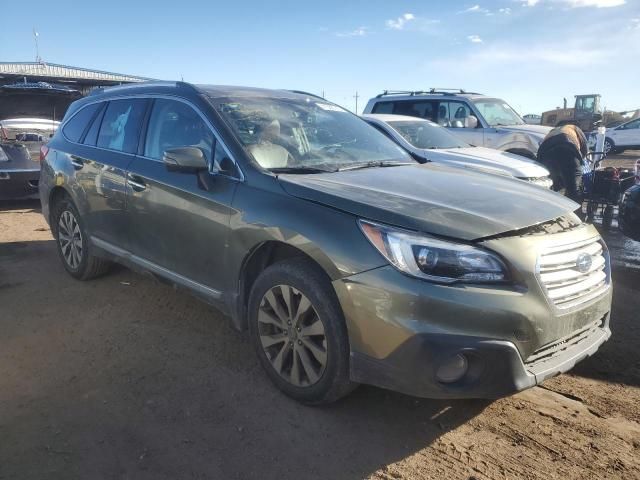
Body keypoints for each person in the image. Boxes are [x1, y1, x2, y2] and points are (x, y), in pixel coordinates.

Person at [536, 124, 588, 203]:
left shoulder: (552, 131)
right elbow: (584, 148)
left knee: (551, 186)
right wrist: (581, 162)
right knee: (574, 189)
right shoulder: (575, 129)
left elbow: (540, 152)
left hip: (547, 155)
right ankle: (573, 212)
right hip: (569, 151)